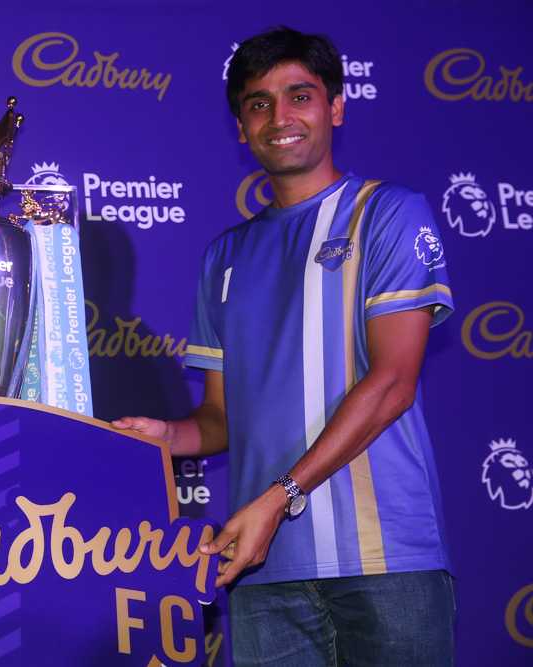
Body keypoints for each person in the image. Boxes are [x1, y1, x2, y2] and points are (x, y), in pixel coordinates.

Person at [115, 27, 456, 666]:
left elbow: (392, 383)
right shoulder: (225, 255)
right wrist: (165, 435)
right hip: (263, 572)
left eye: (300, 96)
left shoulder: (387, 214)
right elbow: (220, 419)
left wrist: (279, 498)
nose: (280, 118)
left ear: (335, 107)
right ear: (241, 128)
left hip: (384, 565)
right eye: (258, 103)